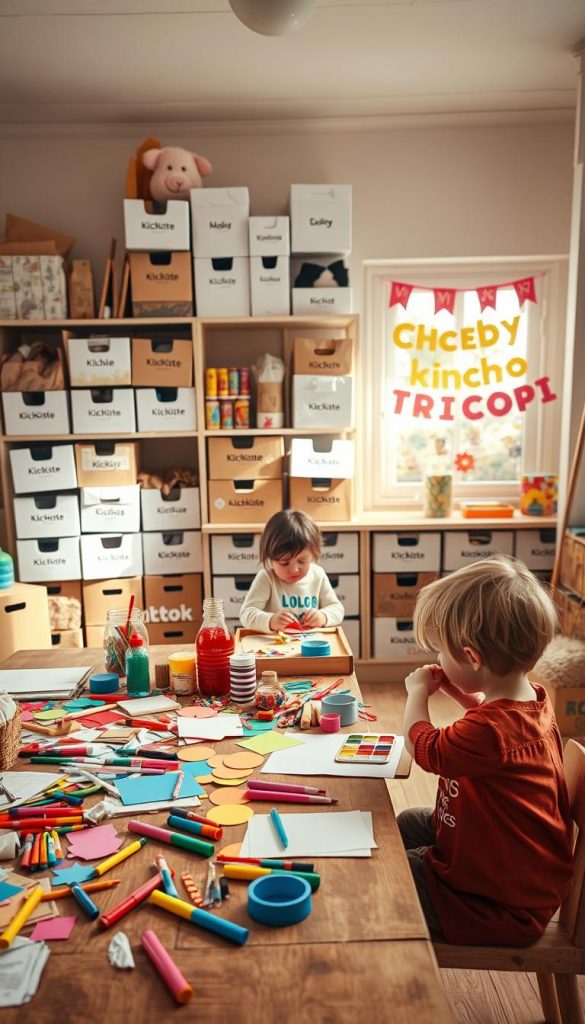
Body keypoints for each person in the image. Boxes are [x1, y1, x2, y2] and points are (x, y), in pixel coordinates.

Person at [398, 556, 574, 946]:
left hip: (498, 906)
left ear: (473, 657)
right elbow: (491, 728)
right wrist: (456, 690)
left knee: (390, 874)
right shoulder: (532, 701)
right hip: (513, 871)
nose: (438, 658)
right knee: (409, 822)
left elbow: (423, 746)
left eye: (441, 651)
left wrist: (417, 694)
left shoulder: (488, 731)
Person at [240, 509, 344, 632]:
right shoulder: (267, 578)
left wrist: (323, 617)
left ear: (313, 554)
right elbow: (246, 614)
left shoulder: (318, 574)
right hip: (275, 646)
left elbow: (337, 608)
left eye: (302, 561)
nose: (294, 570)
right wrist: (270, 620)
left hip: (309, 644)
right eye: (284, 563)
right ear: (270, 558)